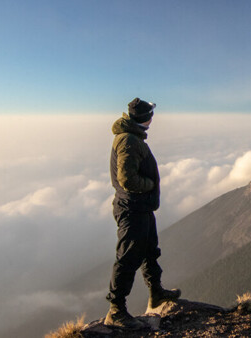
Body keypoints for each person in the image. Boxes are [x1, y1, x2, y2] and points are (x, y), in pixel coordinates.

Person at [104, 98, 180, 329]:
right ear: (145, 118)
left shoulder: (132, 137)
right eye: (151, 115)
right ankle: (116, 310)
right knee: (128, 258)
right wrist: (149, 185)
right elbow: (127, 179)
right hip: (133, 208)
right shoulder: (128, 140)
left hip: (140, 207)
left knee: (149, 251)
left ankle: (155, 293)